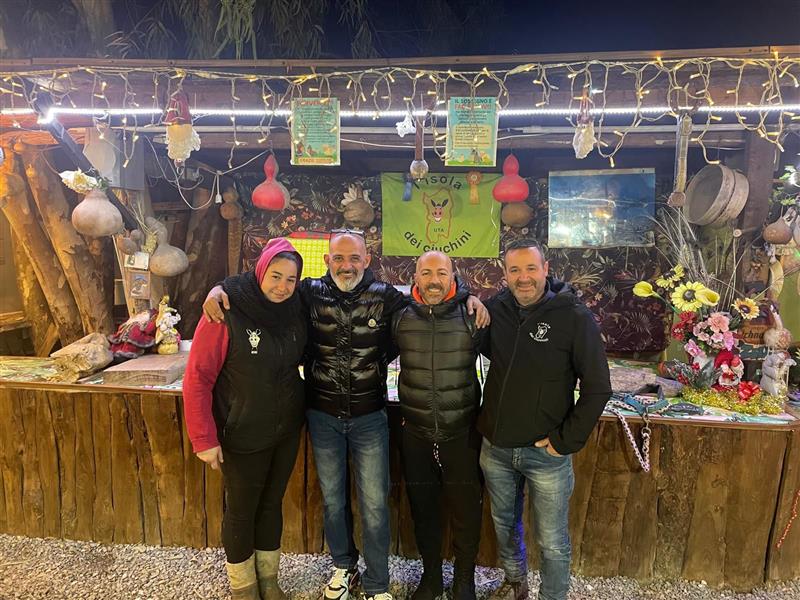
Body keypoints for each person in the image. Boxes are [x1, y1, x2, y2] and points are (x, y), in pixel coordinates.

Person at [202, 230, 489, 600]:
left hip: (371, 416)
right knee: (333, 501)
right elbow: (260, 288)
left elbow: (432, 298)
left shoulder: (386, 297)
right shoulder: (307, 292)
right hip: (322, 414)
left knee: (375, 504)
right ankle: (343, 565)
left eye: (354, 258)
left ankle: (377, 582)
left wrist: (468, 295)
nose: (346, 265)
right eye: (338, 258)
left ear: (367, 260)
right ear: (327, 261)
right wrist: (220, 288)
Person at [478, 239, 611, 600]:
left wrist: (565, 441)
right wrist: (468, 300)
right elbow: (472, 326)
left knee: (552, 541)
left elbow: (598, 387)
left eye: (530, 268)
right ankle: (514, 582)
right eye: (515, 270)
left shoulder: (574, 316)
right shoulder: (497, 309)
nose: (523, 277)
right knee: (504, 526)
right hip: (496, 448)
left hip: (546, 454)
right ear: (505, 274)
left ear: (546, 269)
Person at [183, 238, 307, 600]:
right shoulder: (225, 310)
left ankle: (268, 581)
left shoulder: (296, 310)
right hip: (242, 431)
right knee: (241, 511)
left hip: (285, 430)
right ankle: (244, 588)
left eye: (291, 279)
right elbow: (197, 378)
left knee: (271, 504)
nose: (282, 286)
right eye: (276, 276)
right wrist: (203, 438)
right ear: (260, 271)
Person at [391, 251, 483, 600]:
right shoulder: (400, 316)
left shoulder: (473, 316)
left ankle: (464, 580)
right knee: (423, 510)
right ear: (415, 277)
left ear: (452, 276)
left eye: (441, 273)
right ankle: (430, 577)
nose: (433, 280)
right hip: (415, 432)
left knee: (465, 510)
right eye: (426, 272)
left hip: (460, 432)